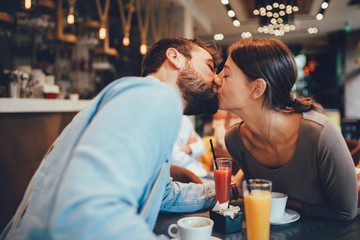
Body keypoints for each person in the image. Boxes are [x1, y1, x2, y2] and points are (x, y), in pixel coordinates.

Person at [0, 37, 223, 240]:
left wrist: (222, 190)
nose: (217, 80)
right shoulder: (156, 97)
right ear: (175, 57)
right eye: (210, 67)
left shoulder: (146, 98)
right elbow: (89, 212)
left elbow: (163, 193)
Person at [216, 37, 359, 220]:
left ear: (257, 88)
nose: (216, 78)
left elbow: (345, 212)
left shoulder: (320, 133)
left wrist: (287, 202)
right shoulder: (235, 140)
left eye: (226, 75)